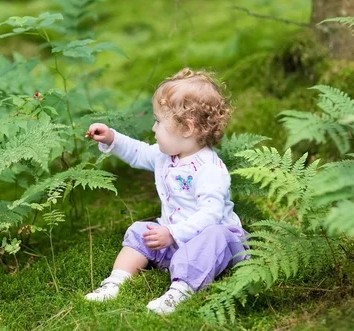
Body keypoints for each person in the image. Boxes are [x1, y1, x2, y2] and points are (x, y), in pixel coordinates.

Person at [83, 67, 248, 315]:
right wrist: (111, 139)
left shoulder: (210, 169)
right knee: (140, 231)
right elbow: (138, 152)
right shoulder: (165, 156)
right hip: (174, 239)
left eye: (159, 121)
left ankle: (178, 292)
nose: (153, 128)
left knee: (216, 234)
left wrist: (173, 232)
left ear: (187, 128)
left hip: (213, 246)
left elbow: (211, 214)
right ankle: (115, 282)